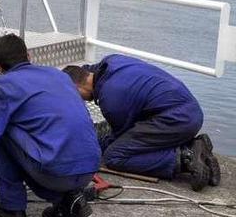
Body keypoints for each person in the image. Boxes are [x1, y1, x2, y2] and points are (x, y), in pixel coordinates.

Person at [0, 34, 102, 217]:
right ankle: (67, 199)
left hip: (55, 173)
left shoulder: (1, 87)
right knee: (49, 135)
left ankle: (11, 206)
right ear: (28, 55)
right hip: (90, 167)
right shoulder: (59, 75)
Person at [64, 55, 220, 191]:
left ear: (77, 88)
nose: (79, 101)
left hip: (178, 120)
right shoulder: (111, 62)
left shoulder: (110, 98)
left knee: (114, 156)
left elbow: (120, 137)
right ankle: (192, 146)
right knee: (115, 141)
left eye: (75, 96)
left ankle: (186, 158)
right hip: (188, 111)